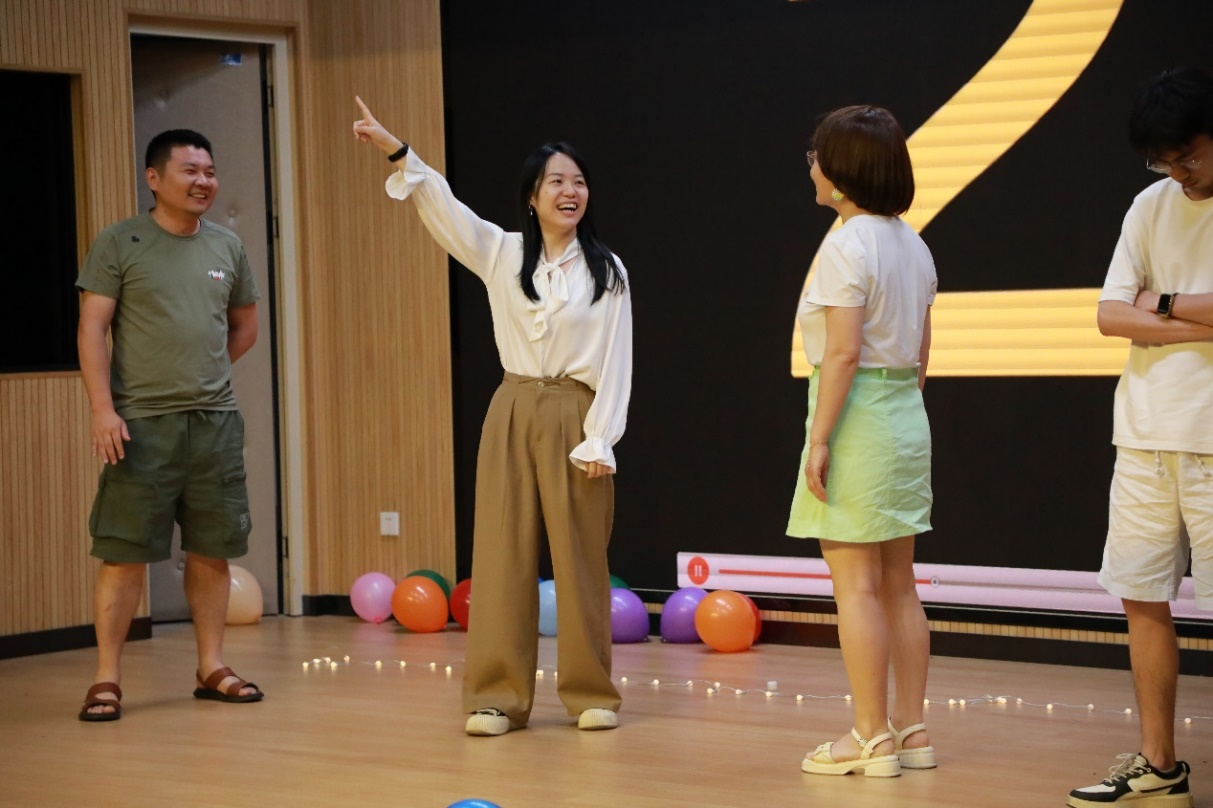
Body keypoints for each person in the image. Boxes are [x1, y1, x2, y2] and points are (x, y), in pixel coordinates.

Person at [352, 97, 632, 736]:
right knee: (503, 554)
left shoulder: (607, 270)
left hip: (576, 411)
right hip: (513, 405)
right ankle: (496, 697)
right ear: (532, 196)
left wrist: (600, 438)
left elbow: (618, 359)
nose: (570, 192)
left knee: (580, 558)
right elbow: (444, 207)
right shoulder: (502, 252)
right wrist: (398, 151)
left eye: (579, 181)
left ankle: (591, 694)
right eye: (556, 181)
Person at [76, 129, 264, 721]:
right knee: (124, 552)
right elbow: (92, 329)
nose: (203, 181)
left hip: (215, 424)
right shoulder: (120, 242)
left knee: (212, 549)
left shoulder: (227, 246)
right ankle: (107, 677)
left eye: (210, 171)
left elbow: (245, 327)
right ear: (154, 178)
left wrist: (204, 375)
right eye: (190, 170)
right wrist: (103, 410)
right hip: (139, 425)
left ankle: (211, 667)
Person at [1067, 67, 1213, 808]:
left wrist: (1158, 302)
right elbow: (1108, 314)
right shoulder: (1148, 206)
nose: (1176, 174)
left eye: (1187, 157)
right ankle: (1159, 765)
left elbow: (1136, 308)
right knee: (1141, 598)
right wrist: (1191, 316)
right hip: (1145, 433)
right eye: (1164, 162)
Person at [787, 106, 936, 778]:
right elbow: (922, 354)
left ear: (842, 172)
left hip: (856, 418)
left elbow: (843, 353)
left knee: (856, 588)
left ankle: (870, 737)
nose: (811, 167)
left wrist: (820, 439)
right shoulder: (914, 245)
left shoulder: (846, 245)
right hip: (904, 414)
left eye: (817, 156)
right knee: (900, 584)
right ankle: (911, 731)